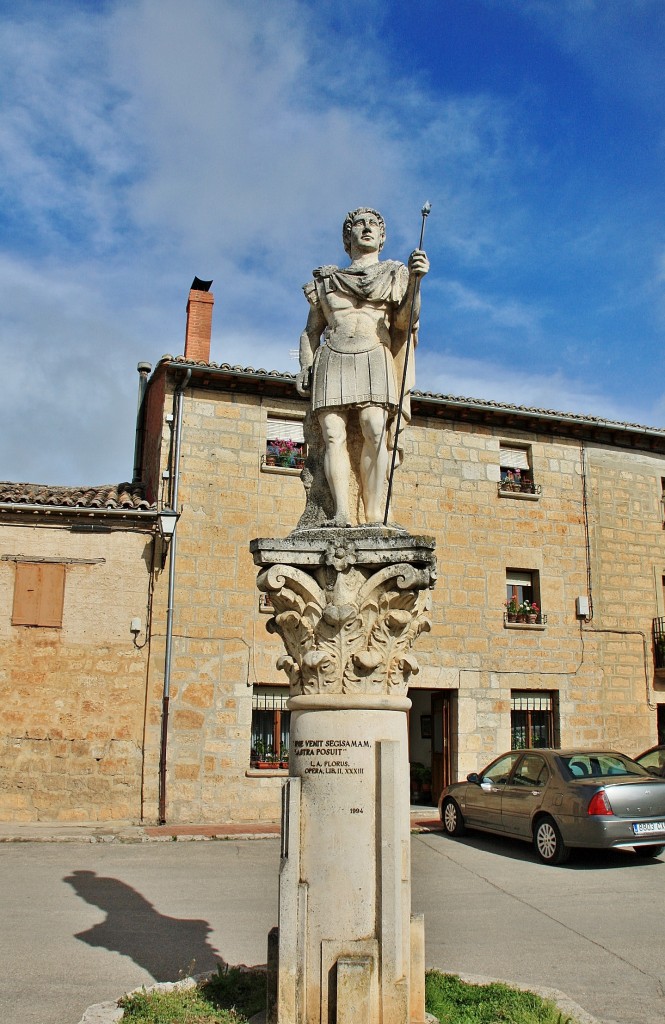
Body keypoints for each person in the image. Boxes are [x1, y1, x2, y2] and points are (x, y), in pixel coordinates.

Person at [296, 207, 429, 525]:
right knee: (332, 435)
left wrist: (416, 283)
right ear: (347, 236)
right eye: (359, 224)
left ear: (382, 238)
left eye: (374, 225)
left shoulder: (395, 273)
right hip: (333, 358)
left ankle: (373, 513)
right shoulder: (326, 280)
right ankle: (341, 511)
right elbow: (311, 332)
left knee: (375, 429)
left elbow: (403, 322)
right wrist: (304, 366)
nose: (367, 228)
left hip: (375, 353)